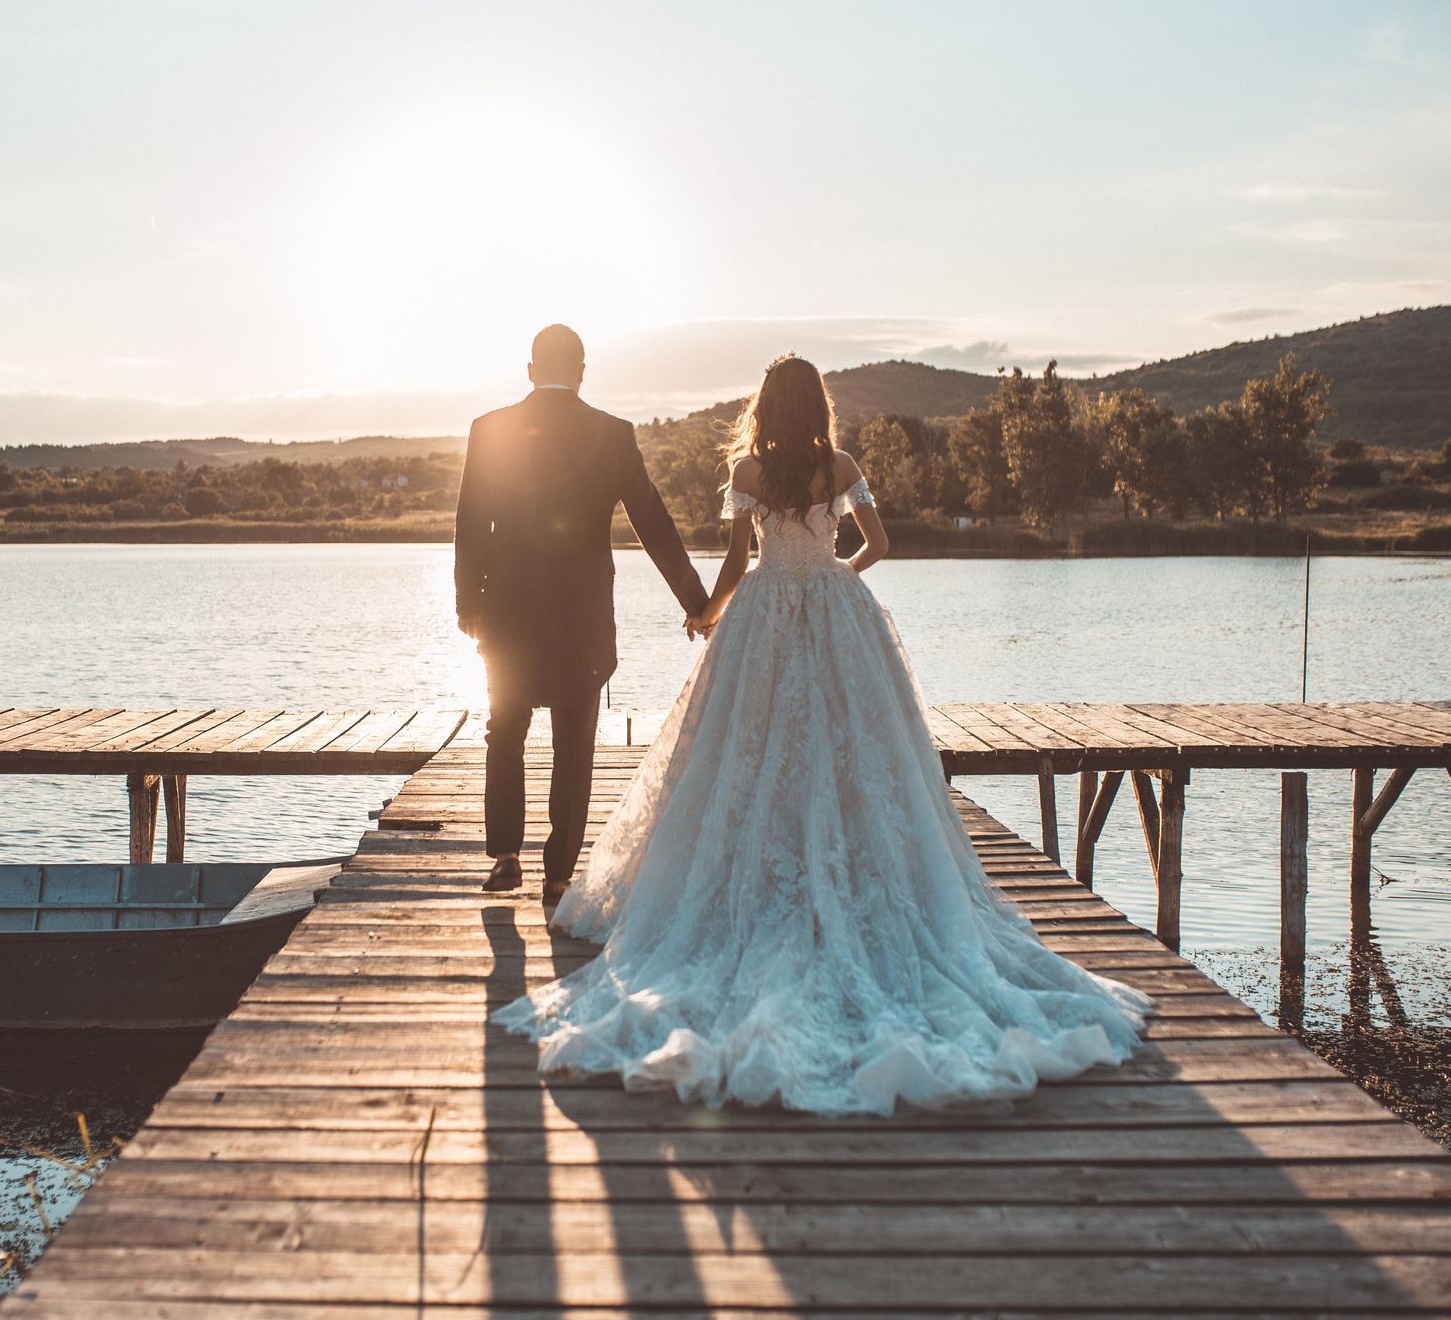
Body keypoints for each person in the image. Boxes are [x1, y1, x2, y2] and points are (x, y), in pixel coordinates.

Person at [492, 354, 1151, 1116]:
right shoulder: (837, 464)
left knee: (745, 750)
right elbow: (880, 543)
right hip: (836, 614)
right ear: (818, 407)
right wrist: (841, 574)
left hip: (764, 616)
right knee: (852, 752)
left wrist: (707, 614)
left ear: (765, 409)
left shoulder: (749, 468)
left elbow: (740, 559)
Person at [454, 324, 709, 911]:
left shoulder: (489, 430)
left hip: (507, 616)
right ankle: (559, 875)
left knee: (505, 734)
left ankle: (505, 857)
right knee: (574, 744)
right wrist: (695, 602)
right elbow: (654, 524)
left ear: (529, 369)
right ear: (583, 371)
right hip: (583, 618)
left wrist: (468, 604)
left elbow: (469, 523)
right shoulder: (611, 435)